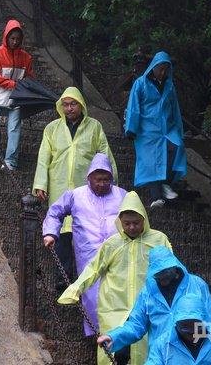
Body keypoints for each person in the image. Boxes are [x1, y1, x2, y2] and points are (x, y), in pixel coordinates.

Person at [59, 192, 171, 365]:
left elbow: (172, 269)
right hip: (114, 305)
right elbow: (93, 269)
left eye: (136, 223)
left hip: (147, 305)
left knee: (145, 350)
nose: (132, 227)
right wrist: (75, 289)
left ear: (144, 220)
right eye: (127, 223)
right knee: (109, 348)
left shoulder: (158, 239)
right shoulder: (112, 243)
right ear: (120, 222)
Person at [33, 87, 117, 290]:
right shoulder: (52, 128)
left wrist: (111, 184)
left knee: (85, 234)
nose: (69, 108)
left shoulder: (94, 127)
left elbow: (104, 155)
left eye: (73, 104)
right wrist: (40, 184)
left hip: (86, 189)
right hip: (59, 185)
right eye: (65, 104)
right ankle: (63, 282)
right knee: (61, 235)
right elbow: (44, 158)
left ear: (81, 105)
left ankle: (86, 281)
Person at [43, 153, 127, 334]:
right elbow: (55, 212)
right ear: (89, 177)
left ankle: (118, 333)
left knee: (118, 291)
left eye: (106, 179)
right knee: (92, 293)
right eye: (98, 179)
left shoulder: (122, 195)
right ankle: (98, 333)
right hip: (88, 253)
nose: (102, 183)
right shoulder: (76, 195)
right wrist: (51, 233)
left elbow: (136, 216)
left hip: (118, 253)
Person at [97, 247, 211, 362]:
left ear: (174, 267)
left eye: (165, 273)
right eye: (158, 274)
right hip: (161, 357)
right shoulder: (148, 292)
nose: (162, 278)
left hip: (193, 356)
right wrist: (114, 337)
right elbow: (136, 325)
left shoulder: (197, 285)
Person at [125, 51, 187, 209]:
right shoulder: (141, 83)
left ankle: (166, 183)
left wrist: (179, 129)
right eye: (161, 68)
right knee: (151, 161)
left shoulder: (169, 85)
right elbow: (134, 106)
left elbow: (175, 109)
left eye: (166, 69)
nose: (163, 72)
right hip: (147, 130)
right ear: (154, 67)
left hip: (166, 128)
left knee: (176, 147)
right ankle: (156, 196)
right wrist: (131, 128)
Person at [0, 19, 34, 170]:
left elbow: (30, 78)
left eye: (18, 39)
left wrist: (22, 87)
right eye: (12, 38)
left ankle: (10, 160)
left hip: (16, 100)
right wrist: (14, 84)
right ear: (6, 37)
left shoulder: (26, 58)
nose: (15, 41)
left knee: (14, 128)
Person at [145, 293, 211, 364]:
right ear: (175, 323)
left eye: (197, 326)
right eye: (185, 326)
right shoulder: (163, 344)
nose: (192, 332)